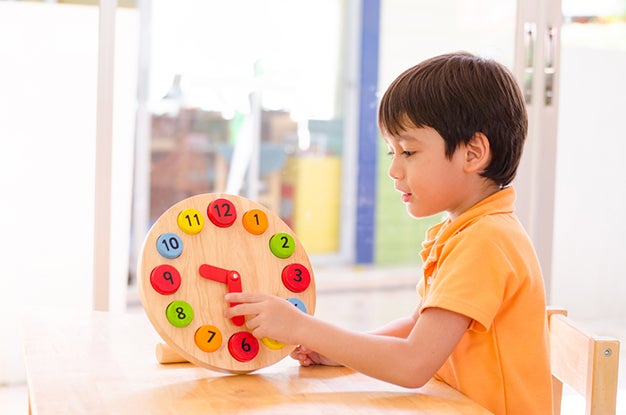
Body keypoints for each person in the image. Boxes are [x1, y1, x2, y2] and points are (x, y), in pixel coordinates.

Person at [226, 51, 553, 415]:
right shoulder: (469, 230)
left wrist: (302, 327)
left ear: (473, 153)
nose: (394, 170)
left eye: (409, 151)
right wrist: (339, 351)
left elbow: (413, 364)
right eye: (391, 153)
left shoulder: (485, 241)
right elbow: (419, 326)